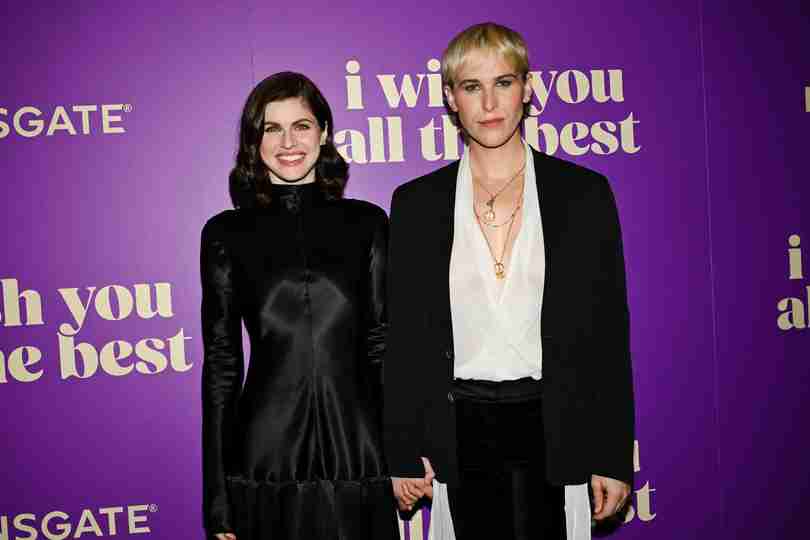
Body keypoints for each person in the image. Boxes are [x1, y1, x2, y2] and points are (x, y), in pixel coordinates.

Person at [384, 23, 634, 539]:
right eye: (472, 87)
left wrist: (611, 454)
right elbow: (405, 339)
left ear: (527, 88)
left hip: (556, 430)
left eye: (503, 82)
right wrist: (404, 448)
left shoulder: (583, 195)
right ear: (452, 98)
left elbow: (608, 335)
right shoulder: (416, 205)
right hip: (459, 433)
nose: (490, 102)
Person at [201, 72, 397, 540]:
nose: (288, 142)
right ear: (255, 141)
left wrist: (406, 452)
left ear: (324, 132)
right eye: (272, 128)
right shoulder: (226, 233)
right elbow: (223, 365)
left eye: (302, 126)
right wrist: (218, 493)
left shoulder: (367, 223)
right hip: (266, 460)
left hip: (361, 454)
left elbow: (382, 345)